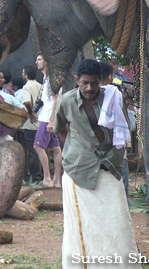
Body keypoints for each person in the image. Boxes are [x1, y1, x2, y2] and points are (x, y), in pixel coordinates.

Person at [52, 59, 140, 268]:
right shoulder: (66, 101)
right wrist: (77, 149)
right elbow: (60, 128)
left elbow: (125, 128)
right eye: (85, 83)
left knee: (118, 222)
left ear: (100, 81)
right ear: (77, 80)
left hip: (109, 167)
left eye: (94, 83)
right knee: (83, 228)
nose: (90, 88)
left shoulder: (113, 99)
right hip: (78, 171)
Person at [99, 61, 133, 202]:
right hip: (117, 154)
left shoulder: (83, 95)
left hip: (93, 156)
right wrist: (128, 101)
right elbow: (129, 125)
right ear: (110, 77)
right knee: (120, 197)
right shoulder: (115, 95)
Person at [36, 54, 63, 188]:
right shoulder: (46, 78)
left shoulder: (52, 78)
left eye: (40, 59)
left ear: (46, 62)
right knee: (56, 148)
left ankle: (47, 179)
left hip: (47, 118)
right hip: (46, 117)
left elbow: (56, 99)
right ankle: (57, 180)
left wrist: (52, 120)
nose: (37, 62)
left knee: (38, 146)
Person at [18, 65, 43, 183]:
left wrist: (31, 112)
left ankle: (35, 177)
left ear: (26, 75)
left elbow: (27, 101)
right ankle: (42, 175)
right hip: (41, 122)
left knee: (31, 151)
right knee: (41, 149)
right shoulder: (40, 86)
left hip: (30, 124)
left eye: (23, 73)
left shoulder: (27, 87)